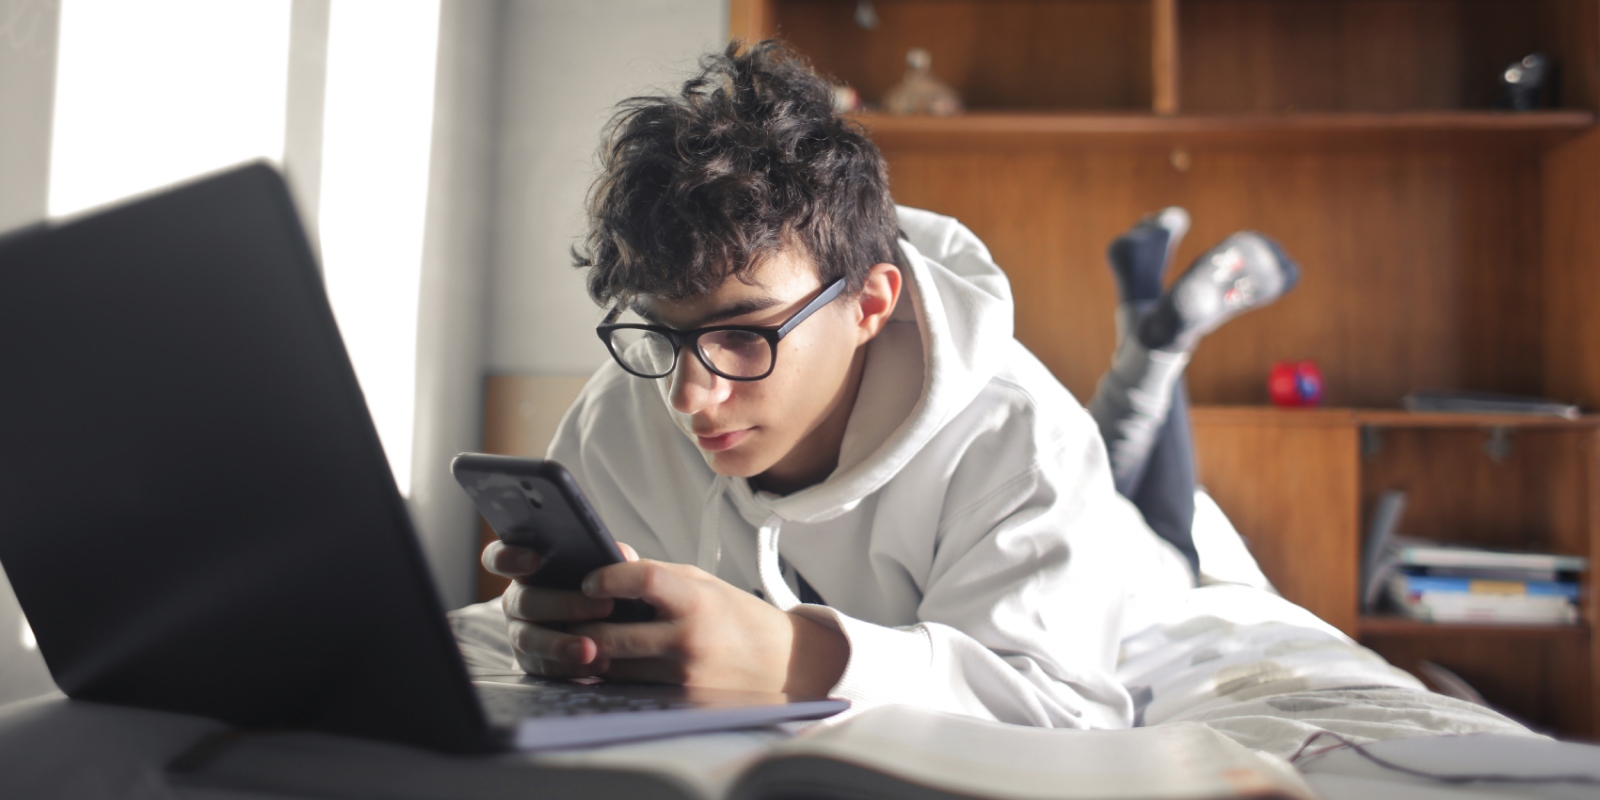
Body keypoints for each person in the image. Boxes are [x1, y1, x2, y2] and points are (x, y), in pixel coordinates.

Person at [480, 40, 1292, 728]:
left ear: (870, 304)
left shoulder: (1024, 437)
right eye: (663, 331)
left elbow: (1066, 710)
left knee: (1160, 516)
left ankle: (1156, 342)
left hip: (1137, 560)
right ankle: (1149, 319)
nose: (690, 395)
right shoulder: (622, 408)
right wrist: (568, 637)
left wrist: (799, 658)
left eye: (742, 333)